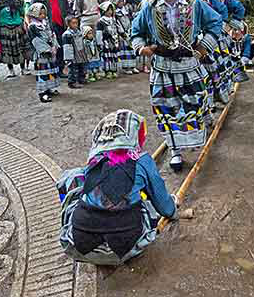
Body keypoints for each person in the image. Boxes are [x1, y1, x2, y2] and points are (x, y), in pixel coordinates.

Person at [131, 0, 222, 172]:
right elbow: (136, 32)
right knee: (166, 109)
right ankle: (175, 150)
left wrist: (203, 47)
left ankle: (201, 125)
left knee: (193, 104)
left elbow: (215, 22)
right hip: (162, 67)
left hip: (189, 65)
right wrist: (142, 48)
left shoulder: (195, 4)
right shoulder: (149, 8)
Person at [58, 109, 178, 265]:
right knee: (145, 200)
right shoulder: (142, 161)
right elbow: (165, 208)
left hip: (80, 247)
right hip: (127, 248)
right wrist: (173, 209)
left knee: (74, 178)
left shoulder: (93, 161)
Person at [32, 0, 69, 74]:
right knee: (49, 48)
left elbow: (67, 7)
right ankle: (51, 70)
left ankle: (60, 69)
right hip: (47, 25)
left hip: (61, 23)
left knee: (61, 46)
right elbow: (33, 11)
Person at [0, 0, 30, 77]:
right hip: (4, 29)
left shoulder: (17, 1)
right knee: (7, 50)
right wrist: (3, 24)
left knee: (21, 48)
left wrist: (21, 23)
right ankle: (11, 70)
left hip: (18, 27)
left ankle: (23, 68)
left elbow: (22, 13)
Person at [27, 3, 60, 103]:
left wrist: (54, 45)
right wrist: (47, 49)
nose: (43, 15)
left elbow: (53, 34)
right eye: (40, 13)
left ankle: (49, 89)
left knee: (50, 71)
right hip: (42, 54)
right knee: (42, 73)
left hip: (51, 51)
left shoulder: (46, 23)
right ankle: (42, 93)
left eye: (44, 13)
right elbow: (35, 40)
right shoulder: (32, 27)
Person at [111, 0, 139, 75]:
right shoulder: (115, 13)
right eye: (119, 1)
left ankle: (133, 66)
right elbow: (117, 24)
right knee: (125, 51)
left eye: (122, 1)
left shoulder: (126, 10)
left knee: (132, 50)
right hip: (122, 35)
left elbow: (131, 19)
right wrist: (122, 32)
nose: (121, 3)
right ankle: (126, 67)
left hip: (129, 31)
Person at [62, 16, 87, 89]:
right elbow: (67, 47)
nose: (75, 25)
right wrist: (68, 58)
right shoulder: (67, 34)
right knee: (73, 69)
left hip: (80, 53)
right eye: (73, 23)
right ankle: (72, 82)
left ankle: (81, 79)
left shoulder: (79, 32)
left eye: (76, 23)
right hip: (72, 55)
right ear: (68, 24)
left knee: (81, 67)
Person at [96, 2, 120, 79]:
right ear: (103, 11)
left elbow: (119, 29)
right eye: (108, 10)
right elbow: (99, 33)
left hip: (114, 41)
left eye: (111, 10)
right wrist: (99, 43)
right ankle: (108, 71)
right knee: (107, 56)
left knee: (113, 55)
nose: (110, 12)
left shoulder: (114, 20)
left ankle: (114, 70)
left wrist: (123, 35)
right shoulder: (101, 21)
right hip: (106, 42)